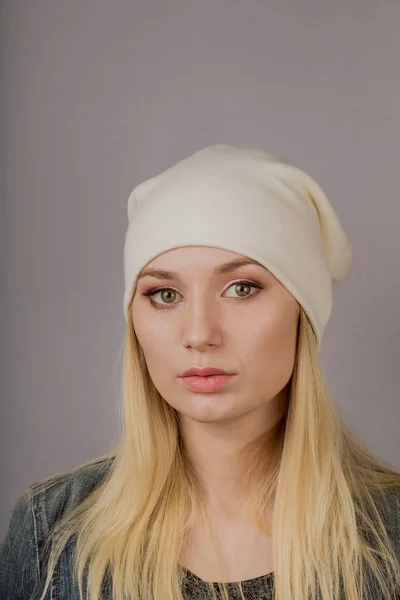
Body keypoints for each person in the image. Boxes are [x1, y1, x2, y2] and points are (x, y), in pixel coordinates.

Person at [1, 144, 399, 600]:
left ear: (303, 313)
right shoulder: (50, 533)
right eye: (165, 294)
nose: (199, 333)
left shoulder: (391, 535)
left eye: (241, 288)